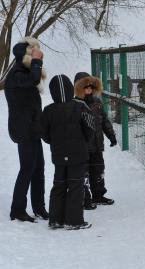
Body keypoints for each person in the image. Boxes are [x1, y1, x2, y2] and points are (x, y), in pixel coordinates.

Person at [41, 74, 95, 230]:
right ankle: (74, 220)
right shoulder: (81, 107)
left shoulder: (48, 110)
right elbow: (90, 128)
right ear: (71, 89)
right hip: (78, 154)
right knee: (75, 186)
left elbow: (44, 133)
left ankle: (55, 219)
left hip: (58, 154)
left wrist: (54, 142)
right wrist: (84, 142)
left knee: (58, 184)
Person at [4, 38, 48, 222]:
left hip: (33, 129)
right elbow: (33, 79)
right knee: (27, 168)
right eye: (32, 54)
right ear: (25, 56)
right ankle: (17, 210)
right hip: (24, 130)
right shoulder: (16, 74)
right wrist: (37, 61)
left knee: (38, 168)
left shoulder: (24, 71)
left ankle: (39, 208)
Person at [74, 72, 117, 209]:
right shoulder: (75, 105)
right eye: (85, 87)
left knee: (98, 170)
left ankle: (98, 195)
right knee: (84, 173)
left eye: (91, 87)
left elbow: (104, 120)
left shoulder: (97, 102)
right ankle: (86, 198)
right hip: (83, 147)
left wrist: (111, 135)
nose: (89, 90)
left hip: (97, 144)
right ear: (79, 88)